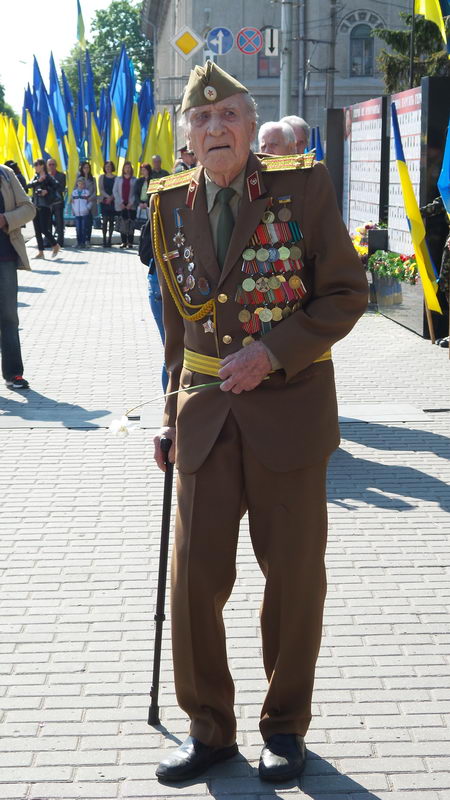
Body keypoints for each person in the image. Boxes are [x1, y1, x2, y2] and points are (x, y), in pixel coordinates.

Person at [149, 61, 368, 783]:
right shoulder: (168, 202)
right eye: (201, 119)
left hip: (289, 413)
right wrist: (169, 412)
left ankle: (285, 727)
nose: (215, 129)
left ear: (251, 125)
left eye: (229, 116)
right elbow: (178, 324)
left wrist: (272, 353)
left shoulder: (301, 186)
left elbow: (345, 292)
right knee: (193, 583)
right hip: (204, 417)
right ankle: (209, 728)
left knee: (294, 580)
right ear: (187, 136)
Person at [0, 163, 36, 389]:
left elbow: (29, 209)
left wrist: (6, 219)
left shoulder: (5, 174)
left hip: (5, 257)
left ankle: (14, 373)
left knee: (9, 318)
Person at [27, 159, 60, 259]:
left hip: (45, 205)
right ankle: (41, 252)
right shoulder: (36, 177)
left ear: (41, 166)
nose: (35, 167)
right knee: (37, 230)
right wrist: (38, 181)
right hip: (35, 205)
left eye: (36, 165)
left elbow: (57, 186)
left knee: (44, 229)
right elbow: (28, 185)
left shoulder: (48, 177)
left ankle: (55, 245)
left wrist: (47, 191)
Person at [113, 161, 137, 249]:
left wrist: (131, 202)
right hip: (121, 204)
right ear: (123, 169)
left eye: (129, 167)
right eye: (126, 167)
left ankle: (130, 242)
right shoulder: (118, 179)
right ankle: (123, 241)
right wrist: (121, 202)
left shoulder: (135, 179)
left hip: (131, 204)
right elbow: (115, 191)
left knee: (131, 223)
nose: (127, 169)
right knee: (122, 223)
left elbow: (135, 192)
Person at [77, 162, 97, 247]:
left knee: (88, 223)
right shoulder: (78, 178)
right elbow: (75, 190)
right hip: (80, 204)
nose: (86, 169)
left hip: (90, 203)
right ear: (82, 169)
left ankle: (87, 240)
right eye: (84, 167)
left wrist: (89, 198)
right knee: (80, 224)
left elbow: (95, 191)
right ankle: (80, 241)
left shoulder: (93, 179)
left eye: (88, 167)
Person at [47, 158, 66, 247]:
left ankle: (60, 242)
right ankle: (49, 241)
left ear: (56, 165)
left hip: (58, 202)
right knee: (48, 223)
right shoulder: (45, 176)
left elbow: (61, 188)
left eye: (53, 164)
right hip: (48, 203)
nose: (51, 166)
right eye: (50, 164)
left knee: (59, 223)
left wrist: (49, 189)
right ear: (47, 166)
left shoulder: (61, 175)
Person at [98, 161, 116, 247]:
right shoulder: (102, 177)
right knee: (104, 221)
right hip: (104, 201)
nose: (108, 168)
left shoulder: (116, 178)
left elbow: (116, 189)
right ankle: (104, 239)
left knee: (112, 221)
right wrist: (107, 197)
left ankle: (110, 240)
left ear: (112, 167)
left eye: (109, 166)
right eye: (106, 166)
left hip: (113, 201)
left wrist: (111, 197)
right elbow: (101, 189)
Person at [71, 177, 91, 248]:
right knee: (78, 228)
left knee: (83, 228)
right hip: (77, 213)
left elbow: (90, 201)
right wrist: (73, 210)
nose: (81, 185)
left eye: (82, 183)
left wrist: (87, 208)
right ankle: (78, 242)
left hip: (84, 213)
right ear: (77, 184)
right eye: (79, 183)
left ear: (84, 184)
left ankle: (83, 242)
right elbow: (72, 202)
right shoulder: (74, 192)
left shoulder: (87, 192)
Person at [134, 163, 152, 230]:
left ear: (148, 170)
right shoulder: (139, 181)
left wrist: (147, 203)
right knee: (140, 222)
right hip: (140, 204)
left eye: (144, 170)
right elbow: (136, 193)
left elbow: (152, 193)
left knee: (149, 222)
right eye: (142, 170)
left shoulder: (152, 180)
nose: (143, 172)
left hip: (149, 204)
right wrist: (139, 203)